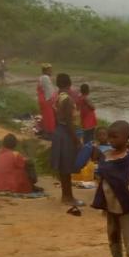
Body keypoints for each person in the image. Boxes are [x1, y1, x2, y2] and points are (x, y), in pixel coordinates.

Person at [92, 121, 129, 257]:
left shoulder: (128, 157)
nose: (111, 140)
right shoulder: (106, 155)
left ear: (126, 138)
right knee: (112, 235)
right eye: (109, 136)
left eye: (115, 136)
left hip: (123, 204)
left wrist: (103, 168)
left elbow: (120, 179)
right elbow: (100, 172)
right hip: (109, 202)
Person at [50, 73, 83, 206]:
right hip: (66, 133)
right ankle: (68, 197)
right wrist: (76, 139)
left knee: (63, 167)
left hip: (58, 132)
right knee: (67, 166)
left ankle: (66, 196)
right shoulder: (68, 100)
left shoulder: (57, 97)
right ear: (69, 84)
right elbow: (69, 123)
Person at [36, 64, 56, 138]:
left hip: (42, 100)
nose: (51, 71)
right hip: (46, 100)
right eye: (49, 70)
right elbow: (49, 90)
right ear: (45, 71)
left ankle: (45, 132)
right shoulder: (46, 78)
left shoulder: (41, 77)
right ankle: (49, 133)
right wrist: (52, 100)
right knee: (49, 117)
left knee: (45, 116)